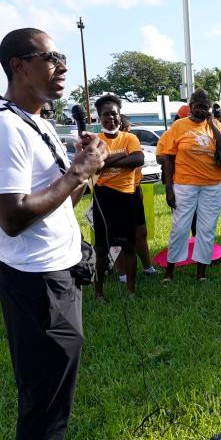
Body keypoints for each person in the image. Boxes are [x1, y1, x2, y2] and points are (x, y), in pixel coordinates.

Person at [0, 27, 106, 440]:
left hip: (58, 274)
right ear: (18, 66)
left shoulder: (38, 125)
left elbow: (55, 205)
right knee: (43, 398)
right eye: (50, 57)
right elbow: (11, 218)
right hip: (35, 285)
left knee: (56, 392)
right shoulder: (5, 130)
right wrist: (77, 171)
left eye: (60, 57)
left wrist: (81, 174)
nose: (61, 66)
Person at [158, 88, 221, 281]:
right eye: (198, 107)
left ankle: (201, 274)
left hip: (212, 185)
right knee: (180, 228)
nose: (201, 110)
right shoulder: (179, 126)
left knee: (206, 230)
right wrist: (169, 189)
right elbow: (167, 158)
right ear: (190, 107)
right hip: (185, 185)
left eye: (205, 107)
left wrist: (212, 125)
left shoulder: (215, 124)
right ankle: (169, 273)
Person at [91, 94, 144, 301]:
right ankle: (98, 293)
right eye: (106, 114)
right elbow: (95, 165)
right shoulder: (95, 141)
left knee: (129, 246)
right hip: (103, 199)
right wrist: (123, 156)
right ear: (99, 117)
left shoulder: (130, 138)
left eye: (114, 114)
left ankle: (131, 291)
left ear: (120, 116)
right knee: (102, 249)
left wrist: (107, 160)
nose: (111, 118)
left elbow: (138, 158)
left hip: (127, 197)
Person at [119, 114, 159, 281]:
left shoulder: (132, 142)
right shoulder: (107, 143)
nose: (130, 133)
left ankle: (148, 267)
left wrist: (139, 190)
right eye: (127, 130)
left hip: (133, 191)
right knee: (120, 237)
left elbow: (137, 164)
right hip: (114, 194)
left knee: (140, 233)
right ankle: (122, 273)